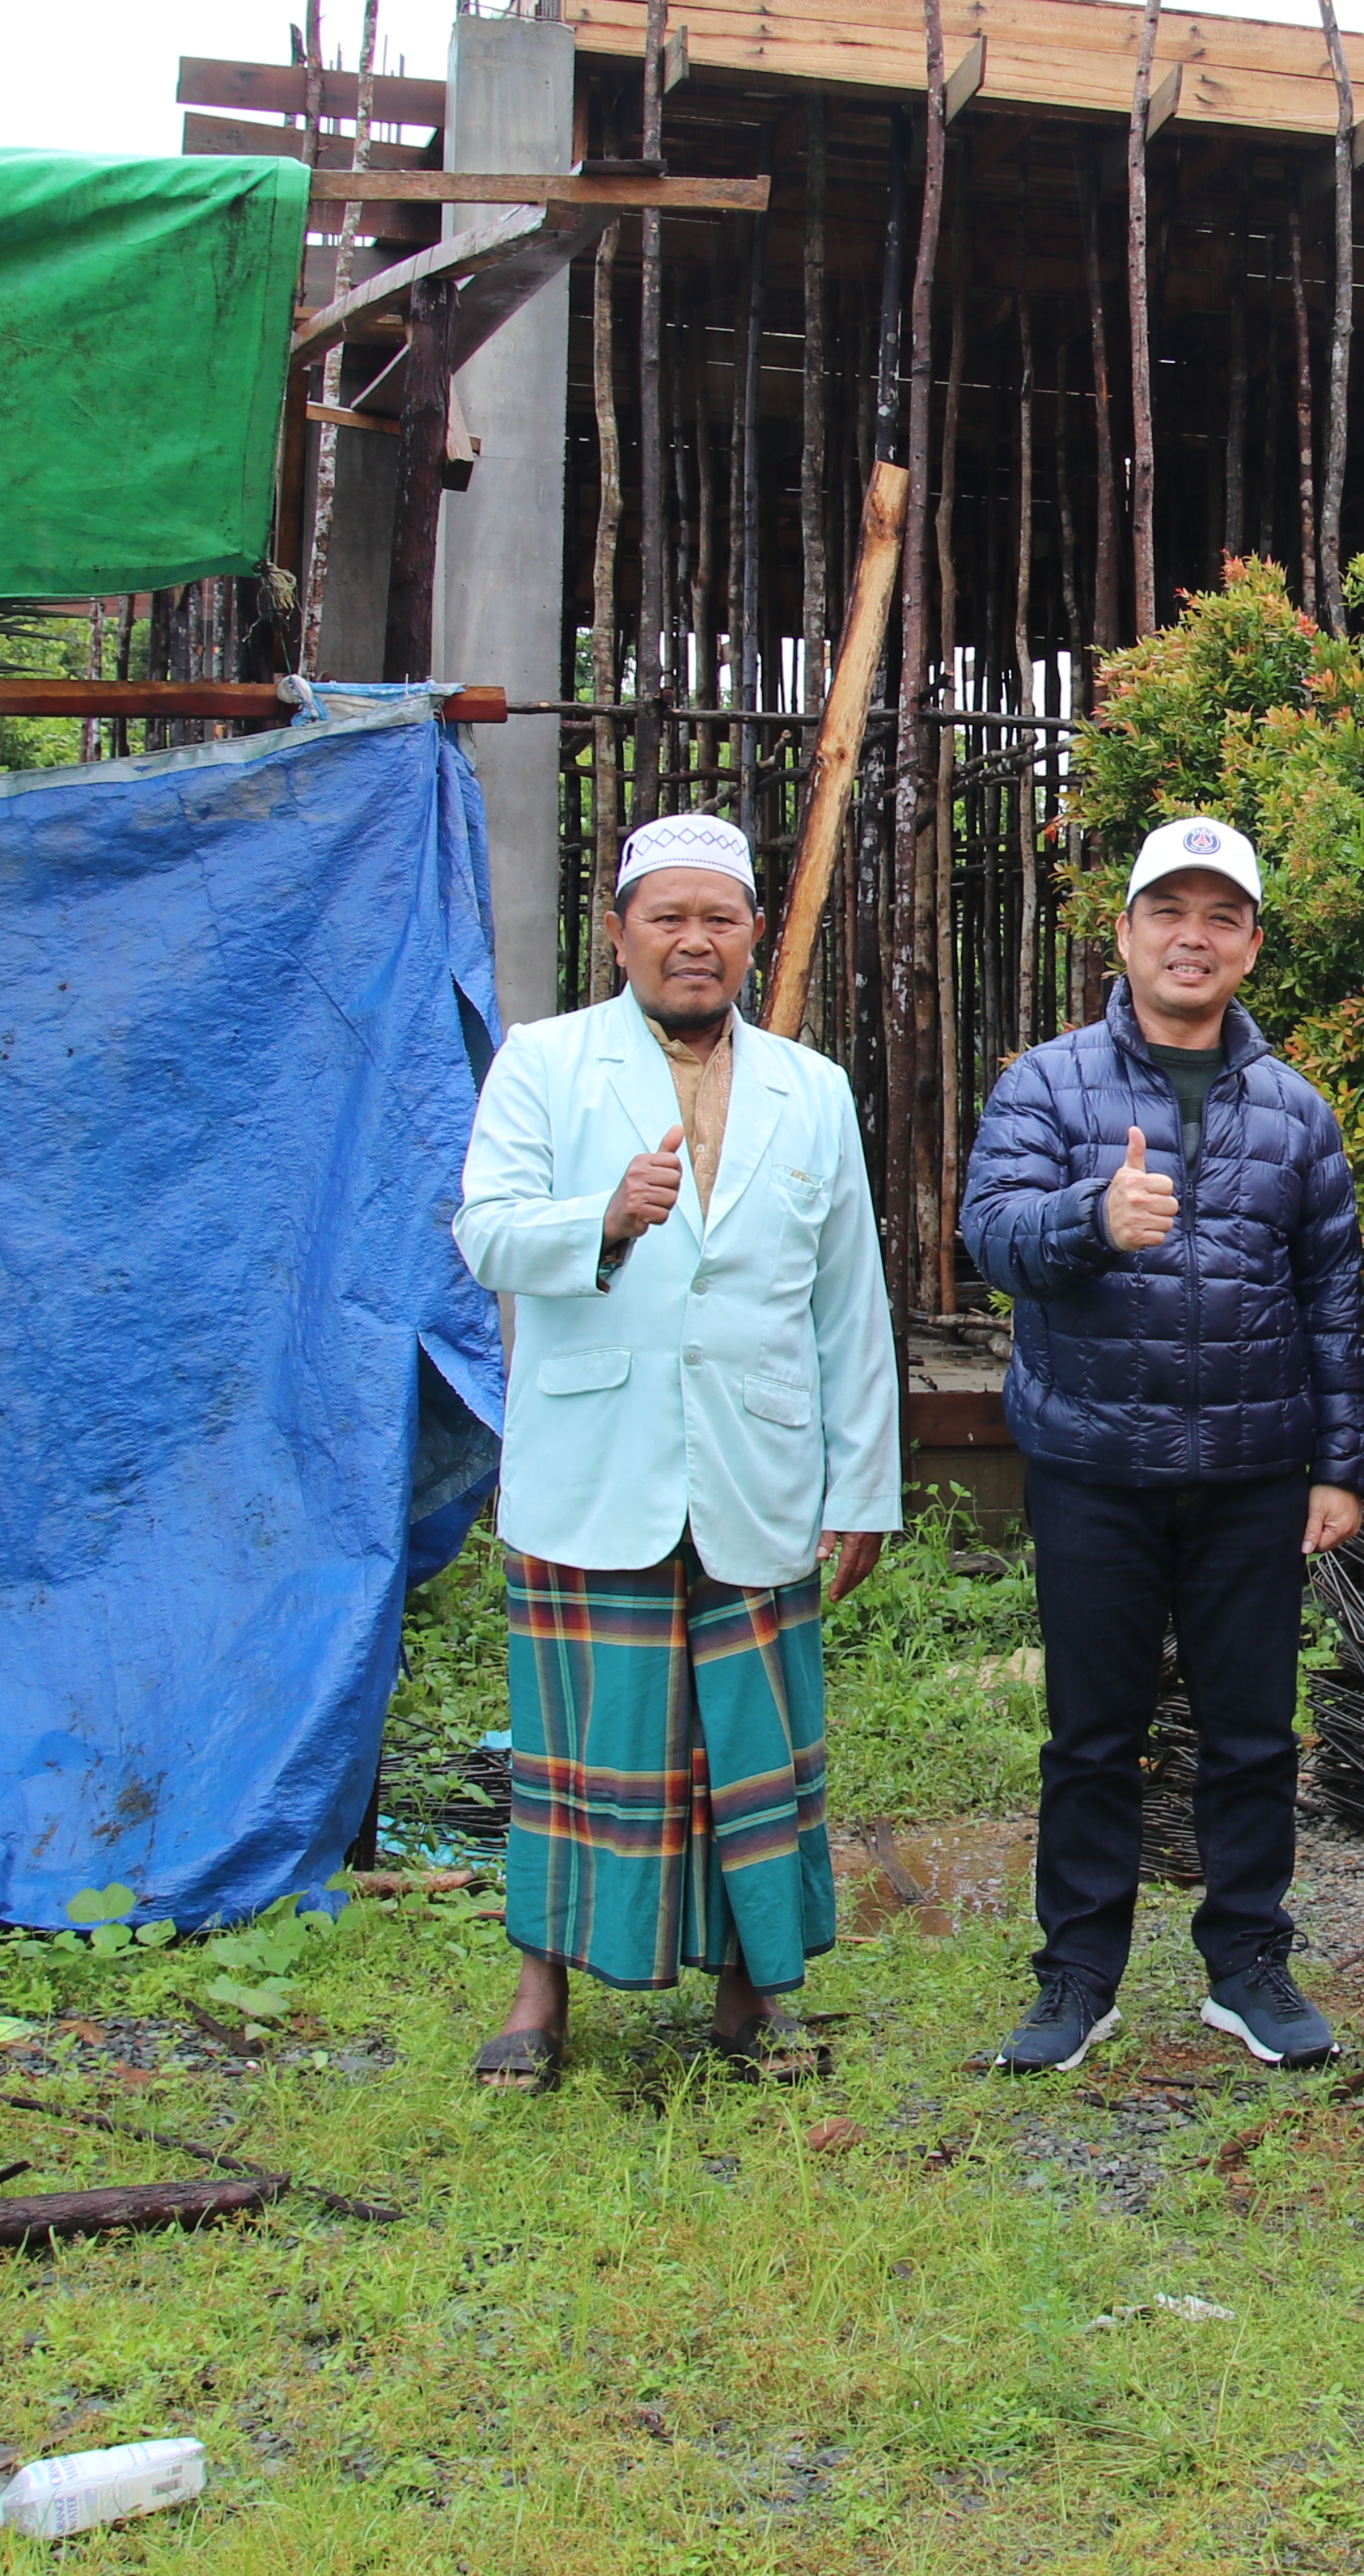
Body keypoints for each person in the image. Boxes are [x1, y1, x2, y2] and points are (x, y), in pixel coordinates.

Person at [449, 812, 900, 2090]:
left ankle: (754, 1995)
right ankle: (539, 1995)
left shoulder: (811, 1088)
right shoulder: (544, 1062)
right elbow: (484, 1234)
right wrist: (600, 1219)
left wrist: (866, 1486)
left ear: (752, 935)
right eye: (667, 918)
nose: (693, 941)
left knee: (753, 1745)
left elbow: (848, 1304)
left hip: (757, 1468)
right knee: (582, 1748)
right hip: (597, 1461)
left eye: (718, 918)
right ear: (618, 933)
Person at [960, 814, 1364, 2074]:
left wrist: (1340, 1466)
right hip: (1094, 1465)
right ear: (1127, 933)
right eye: (1169, 913)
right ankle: (1078, 1976)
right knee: (1092, 1736)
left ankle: (1247, 1965)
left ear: (1250, 945)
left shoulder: (1296, 1113)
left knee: (1253, 1735)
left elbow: (1332, 1301)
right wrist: (1093, 1218)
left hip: (1253, 1474)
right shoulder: (1045, 1086)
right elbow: (993, 1236)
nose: (1192, 938)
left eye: (1220, 918)